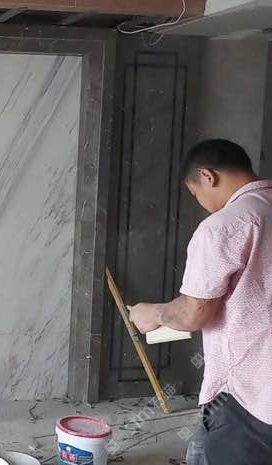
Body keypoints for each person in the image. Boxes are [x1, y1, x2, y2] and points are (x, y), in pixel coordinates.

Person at [129, 139, 272, 465]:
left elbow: (195, 312)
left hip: (250, 396)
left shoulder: (225, 226)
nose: (202, 203)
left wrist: (154, 313)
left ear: (208, 176)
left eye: (196, 194)